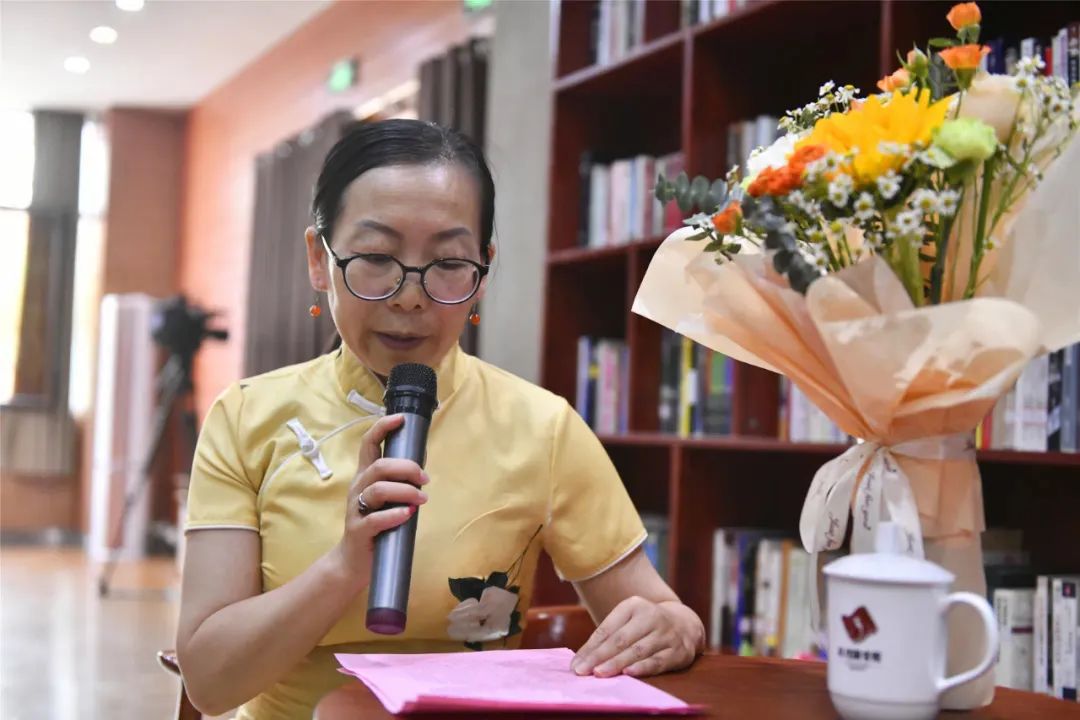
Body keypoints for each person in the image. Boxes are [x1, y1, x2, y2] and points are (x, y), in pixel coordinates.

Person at [176, 119, 705, 719]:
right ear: (319, 260)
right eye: (377, 256)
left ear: (483, 272)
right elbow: (209, 682)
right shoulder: (247, 417)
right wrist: (343, 567)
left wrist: (673, 628)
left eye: (449, 262)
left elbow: (663, 612)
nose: (410, 296)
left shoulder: (542, 427)